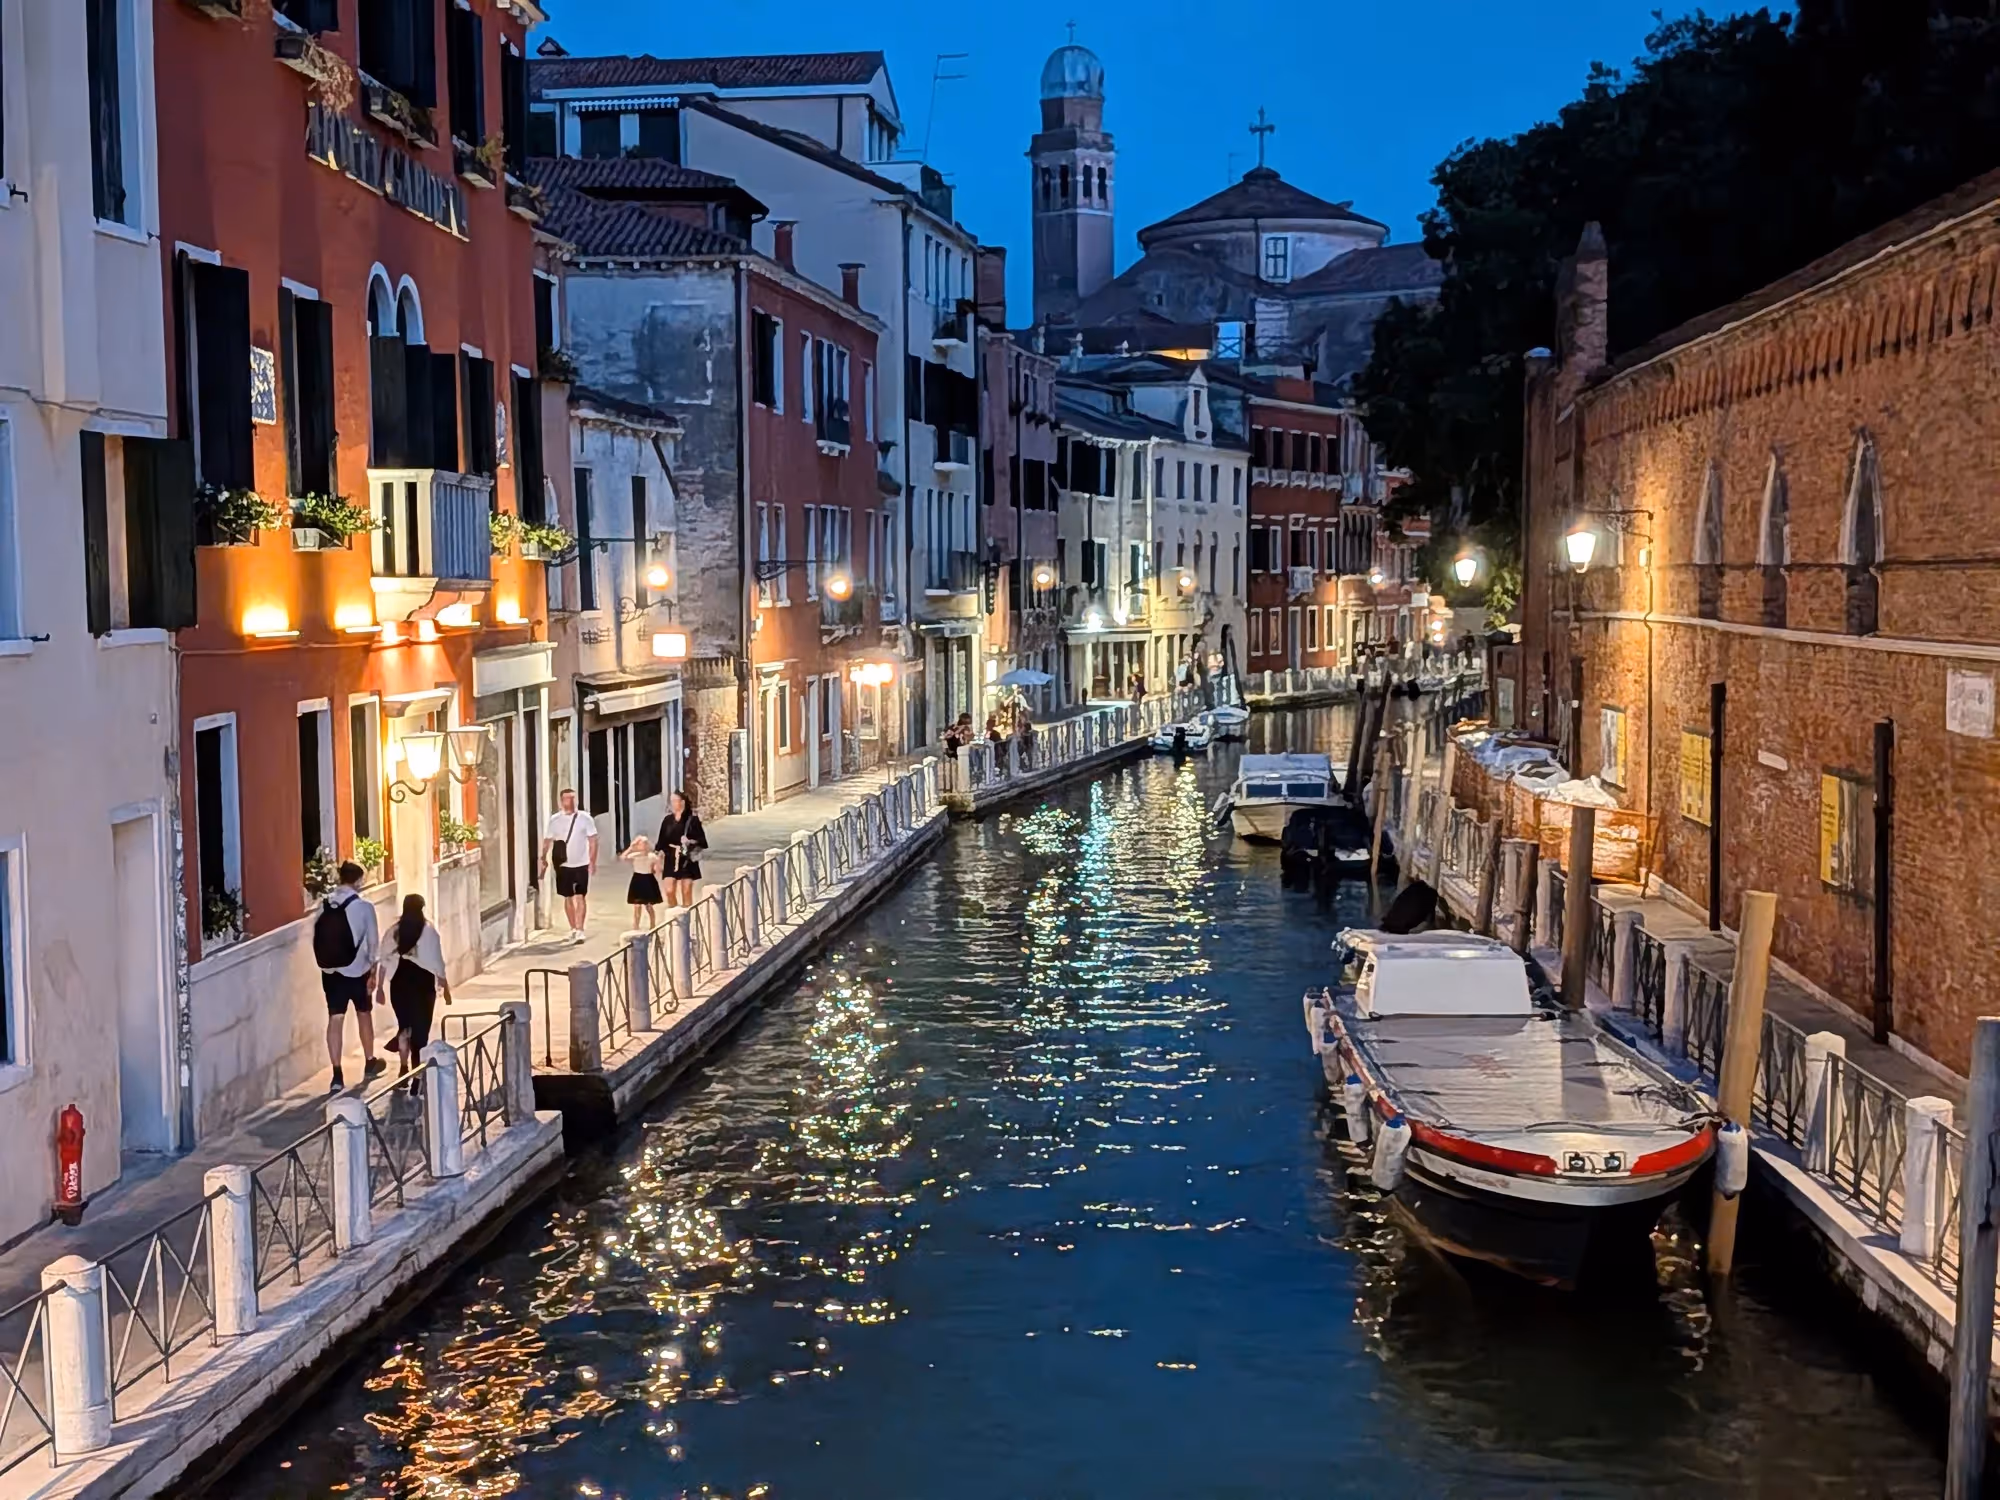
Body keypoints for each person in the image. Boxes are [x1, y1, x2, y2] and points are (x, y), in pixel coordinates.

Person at [313, 860, 384, 1093]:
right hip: (357, 971)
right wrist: (374, 974)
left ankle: (336, 1074)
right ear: (358, 880)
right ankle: (370, 1061)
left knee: (335, 1019)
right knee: (364, 1015)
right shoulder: (364, 907)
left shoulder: (323, 905)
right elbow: (374, 944)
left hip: (331, 973)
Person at [379, 893, 450, 1083]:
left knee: (404, 1026)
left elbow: (383, 961)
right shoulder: (429, 931)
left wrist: (378, 987)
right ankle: (417, 1073)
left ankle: (403, 1068)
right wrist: (445, 984)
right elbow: (437, 961)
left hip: (399, 983)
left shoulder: (393, 932)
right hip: (423, 985)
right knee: (421, 1029)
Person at [540, 788, 599, 945]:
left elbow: (593, 840)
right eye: (567, 798)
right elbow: (548, 840)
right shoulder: (555, 820)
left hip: (581, 863)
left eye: (573, 798)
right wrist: (543, 858)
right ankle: (573, 927)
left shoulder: (585, 818)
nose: (570, 801)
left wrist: (592, 862)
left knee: (580, 896)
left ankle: (580, 930)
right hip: (563, 864)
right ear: (561, 801)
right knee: (568, 897)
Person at [657, 789, 708, 909]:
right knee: (669, 891)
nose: (673, 804)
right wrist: (657, 860)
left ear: (683, 802)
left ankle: (687, 920)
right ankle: (675, 917)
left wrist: (690, 841)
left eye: (676, 801)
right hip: (671, 858)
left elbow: (703, 841)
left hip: (686, 858)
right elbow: (661, 841)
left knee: (686, 891)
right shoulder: (667, 820)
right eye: (672, 801)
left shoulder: (692, 820)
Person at [623, 834, 665, 924]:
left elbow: (659, 869)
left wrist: (659, 861)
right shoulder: (635, 855)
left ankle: (652, 924)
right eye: (641, 844)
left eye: (645, 844)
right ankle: (636, 926)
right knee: (637, 906)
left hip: (648, 879)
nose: (643, 846)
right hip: (637, 879)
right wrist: (631, 847)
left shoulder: (652, 856)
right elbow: (623, 857)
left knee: (649, 905)